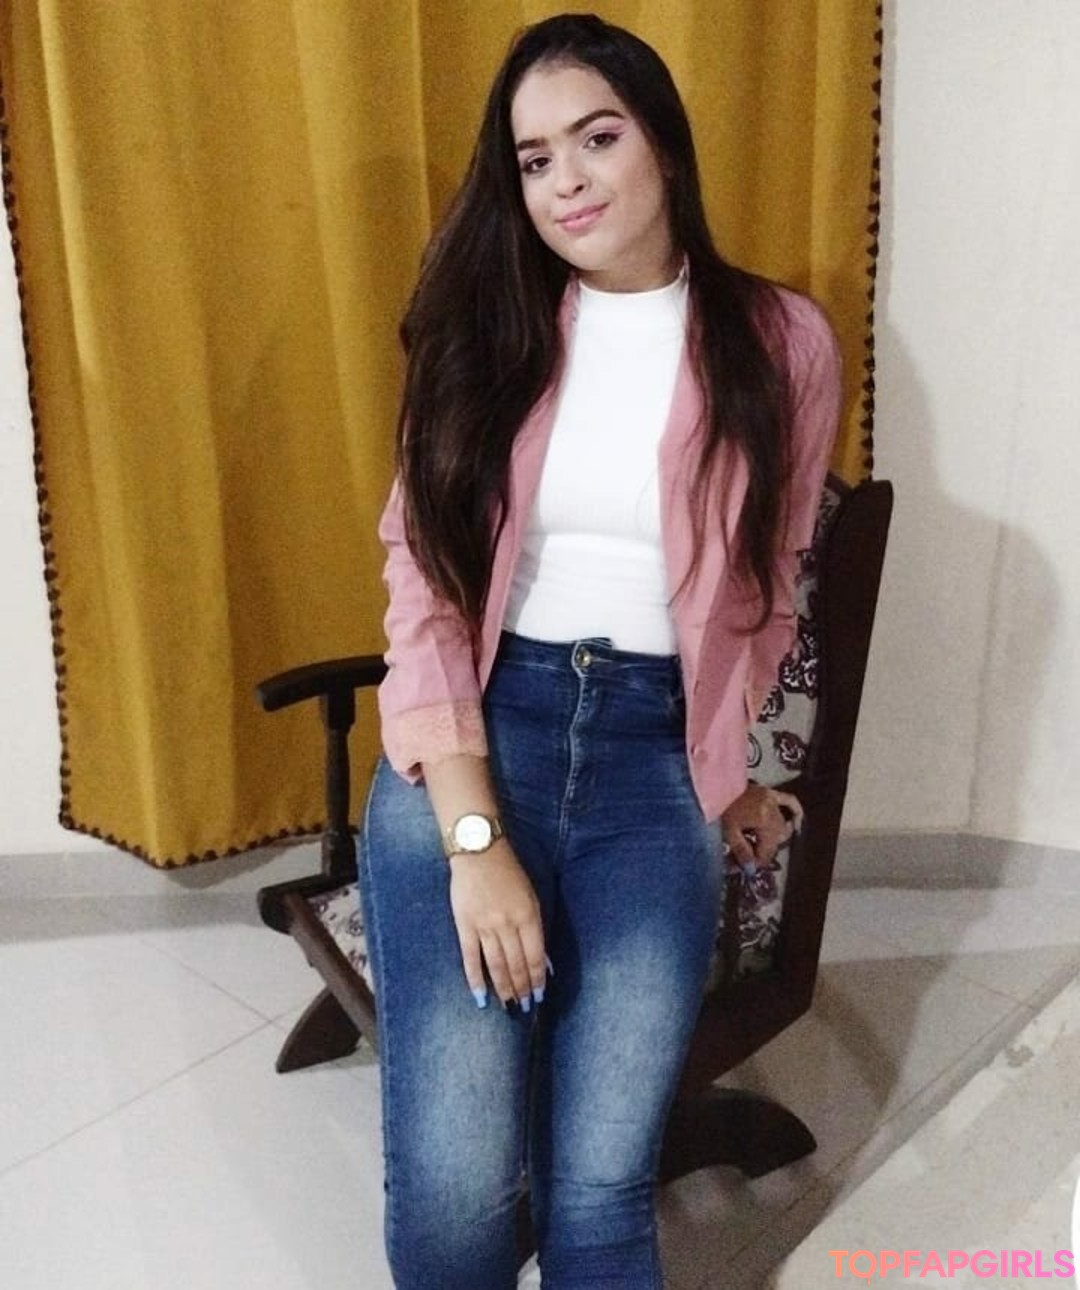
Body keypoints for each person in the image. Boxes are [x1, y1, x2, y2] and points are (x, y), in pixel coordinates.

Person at [357, 13, 841, 1288]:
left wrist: (724, 769)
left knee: (602, 1184)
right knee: (461, 1188)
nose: (565, 180)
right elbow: (423, 583)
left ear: (663, 145)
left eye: (597, 138)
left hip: (653, 765)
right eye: (534, 160)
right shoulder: (480, 331)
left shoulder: (783, 342)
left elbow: (767, 583)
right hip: (482, 735)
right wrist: (475, 842)